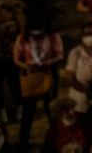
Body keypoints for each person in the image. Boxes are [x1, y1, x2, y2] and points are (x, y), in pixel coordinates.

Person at [13, 14, 64, 149]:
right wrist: (27, 65)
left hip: (48, 74)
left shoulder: (53, 36)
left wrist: (47, 62)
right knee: (28, 111)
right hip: (31, 76)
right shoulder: (23, 38)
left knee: (51, 109)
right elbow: (17, 58)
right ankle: (23, 142)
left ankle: (57, 139)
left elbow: (59, 55)